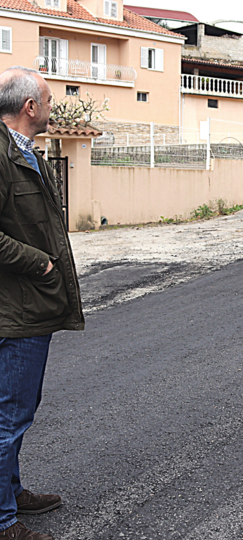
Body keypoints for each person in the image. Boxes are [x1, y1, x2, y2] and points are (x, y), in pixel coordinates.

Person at [0, 67, 84, 540]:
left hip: (26, 305)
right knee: (9, 417)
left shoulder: (24, 151)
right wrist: (41, 264)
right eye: (49, 101)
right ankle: (3, 520)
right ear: (30, 106)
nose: (53, 108)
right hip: (16, 309)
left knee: (16, 410)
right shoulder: (1, 154)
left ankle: (11, 493)